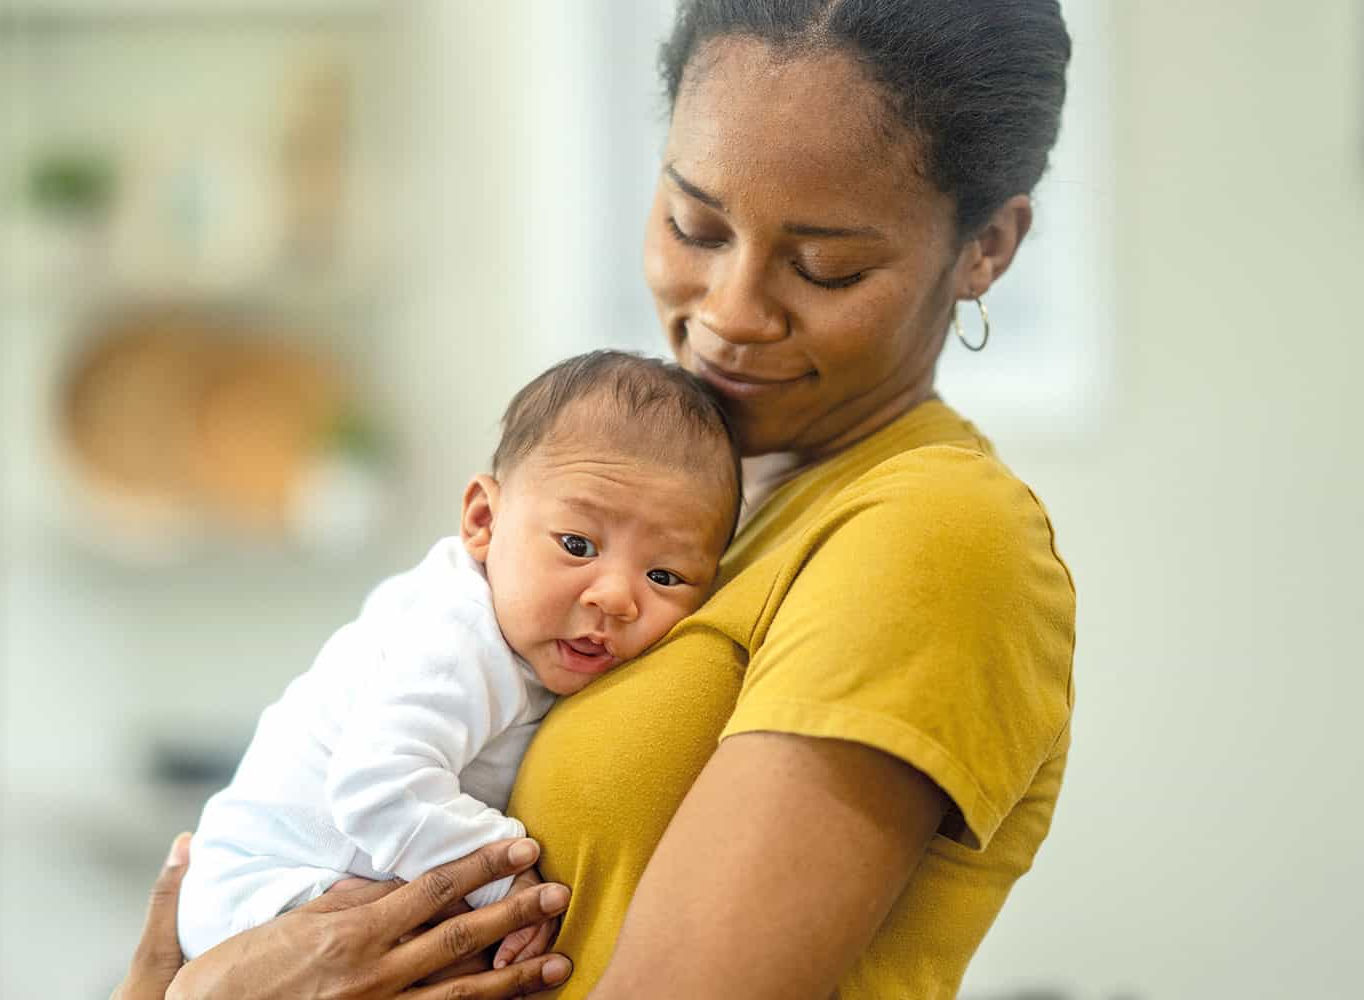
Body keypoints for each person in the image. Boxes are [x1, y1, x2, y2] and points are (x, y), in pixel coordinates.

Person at [122, 1, 1076, 996]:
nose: (731, 313)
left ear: (987, 248)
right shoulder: (689, 501)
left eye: (824, 266)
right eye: (693, 224)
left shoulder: (933, 535)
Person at [176, 352, 743, 967]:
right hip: (268, 899)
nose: (614, 597)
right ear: (483, 521)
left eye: (665, 574)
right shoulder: (459, 632)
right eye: (578, 545)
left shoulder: (520, 631)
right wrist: (505, 877)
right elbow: (379, 785)